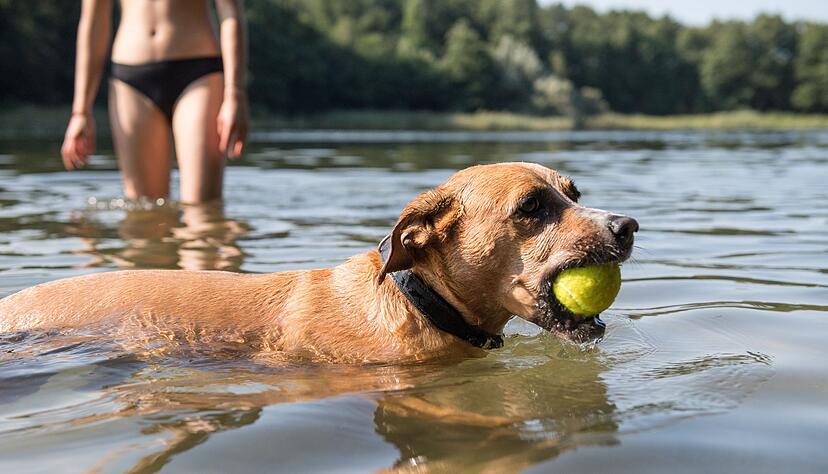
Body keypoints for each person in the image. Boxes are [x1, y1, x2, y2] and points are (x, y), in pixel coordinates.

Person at [61, 0, 249, 204]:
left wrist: (234, 92)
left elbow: (231, 12)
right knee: (144, 209)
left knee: (202, 208)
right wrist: (81, 111)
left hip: (199, 73)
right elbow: (93, 20)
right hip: (130, 79)